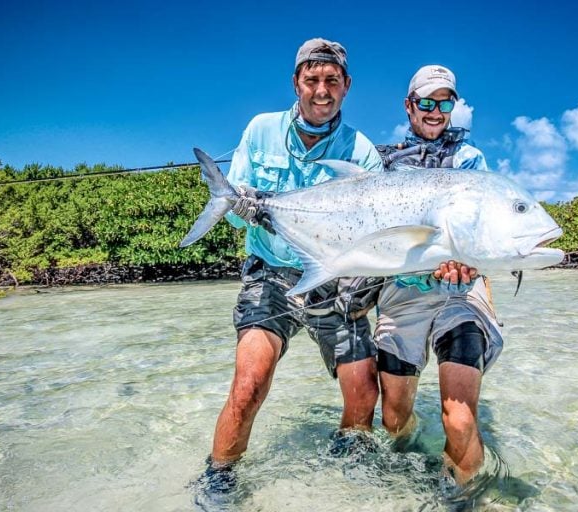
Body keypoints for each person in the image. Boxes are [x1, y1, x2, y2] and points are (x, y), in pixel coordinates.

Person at [199, 38, 384, 496]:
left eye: (332, 81)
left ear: (347, 86)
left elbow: (371, 228)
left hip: (337, 281)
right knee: (249, 384)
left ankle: (348, 476)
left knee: (363, 394)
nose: (321, 91)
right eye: (312, 79)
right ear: (296, 82)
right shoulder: (260, 129)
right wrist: (245, 204)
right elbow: (242, 188)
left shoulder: (362, 152)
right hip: (271, 273)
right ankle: (218, 479)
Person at [374, 65, 504, 487]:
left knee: (461, 420)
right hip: (402, 294)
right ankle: (407, 472)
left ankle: (464, 494)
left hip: (460, 296)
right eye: (426, 102)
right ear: (409, 106)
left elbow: (484, 234)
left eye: (444, 102)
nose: (435, 111)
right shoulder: (384, 165)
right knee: (393, 418)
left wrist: (471, 266)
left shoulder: (471, 160)